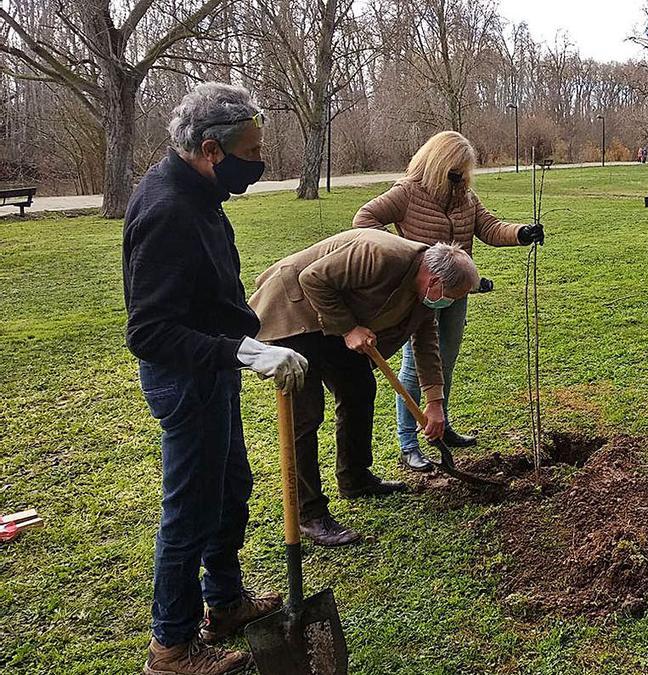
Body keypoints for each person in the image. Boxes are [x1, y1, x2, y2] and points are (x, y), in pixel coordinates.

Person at [124, 82, 308, 675]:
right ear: (211, 150)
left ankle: (224, 602)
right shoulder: (166, 211)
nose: (260, 163)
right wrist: (242, 353)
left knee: (231, 488)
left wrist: (244, 340)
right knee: (190, 510)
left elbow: (204, 297)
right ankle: (171, 649)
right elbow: (149, 333)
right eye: (252, 152)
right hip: (186, 382)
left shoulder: (198, 194)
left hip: (212, 369)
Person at [250, 232, 480, 546]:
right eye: (452, 295)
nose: (451, 302)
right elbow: (312, 277)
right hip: (294, 309)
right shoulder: (380, 254)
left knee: (358, 388)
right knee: (305, 415)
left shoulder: (425, 294)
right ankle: (310, 514)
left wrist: (435, 400)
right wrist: (348, 328)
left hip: (330, 319)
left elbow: (426, 342)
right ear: (435, 281)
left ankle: (354, 478)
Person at [353, 131, 543, 473]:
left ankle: (441, 424)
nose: (460, 179)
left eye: (464, 173)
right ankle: (408, 442)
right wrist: (404, 263)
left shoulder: (465, 197)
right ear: (438, 164)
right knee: (415, 366)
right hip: (420, 296)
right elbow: (364, 220)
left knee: (445, 361)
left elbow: (489, 227)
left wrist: (520, 233)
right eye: (454, 172)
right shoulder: (407, 193)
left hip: (455, 293)